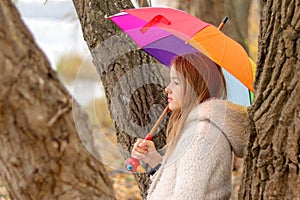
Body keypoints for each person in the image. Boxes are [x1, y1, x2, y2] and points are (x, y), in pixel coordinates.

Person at [131, 52, 248, 199]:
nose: (168, 88)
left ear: (195, 87)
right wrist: (153, 160)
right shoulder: (194, 129)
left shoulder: (202, 135)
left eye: (176, 82)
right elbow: (176, 185)